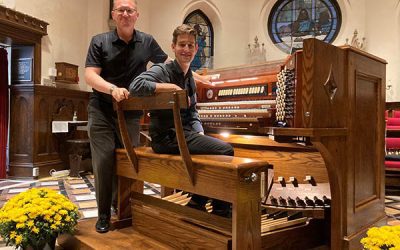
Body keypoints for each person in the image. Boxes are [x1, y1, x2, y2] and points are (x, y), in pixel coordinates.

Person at [129, 24, 234, 217]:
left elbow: (193, 111)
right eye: (182, 45)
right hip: (166, 138)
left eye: (190, 45)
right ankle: (219, 209)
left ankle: (198, 202)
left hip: (184, 134)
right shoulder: (163, 70)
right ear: (173, 47)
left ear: (196, 49)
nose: (186, 49)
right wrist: (170, 87)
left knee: (215, 150)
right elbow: (136, 86)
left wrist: (199, 131)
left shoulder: (189, 77)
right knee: (226, 150)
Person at [84, 0, 169, 233]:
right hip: (101, 109)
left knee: (128, 162)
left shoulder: (148, 41)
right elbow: (90, 75)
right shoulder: (99, 41)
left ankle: (122, 207)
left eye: (129, 10)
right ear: (114, 15)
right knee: (103, 163)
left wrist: (150, 82)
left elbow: (166, 66)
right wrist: (112, 89)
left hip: (130, 113)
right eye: (120, 10)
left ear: (136, 15)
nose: (125, 13)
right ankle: (103, 215)